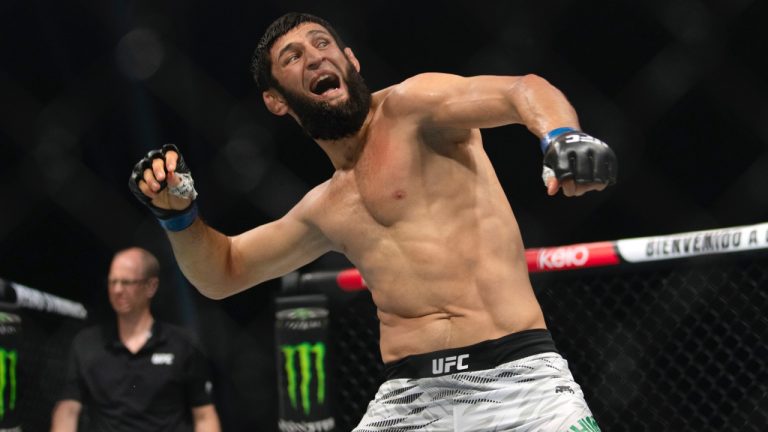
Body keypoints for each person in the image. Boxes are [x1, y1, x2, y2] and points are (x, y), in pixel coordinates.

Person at [129, 13, 616, 431]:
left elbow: (521, 90)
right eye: (293, 57)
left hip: (520, 382)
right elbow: (222, 272)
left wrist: (561, 137)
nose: (315, 57)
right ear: (275, 100)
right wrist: (179, 216)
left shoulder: (414, 109)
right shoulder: (325, 207)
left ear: (350, 60)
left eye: (322, 44)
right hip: (409, 400)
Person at [50, 247, 221, 432]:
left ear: (151, 286)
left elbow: (204, 415)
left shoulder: (182, 344)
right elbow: (68, 409)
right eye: (112, 282)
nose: (117, 290)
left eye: (126, 282)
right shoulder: (86, 343)